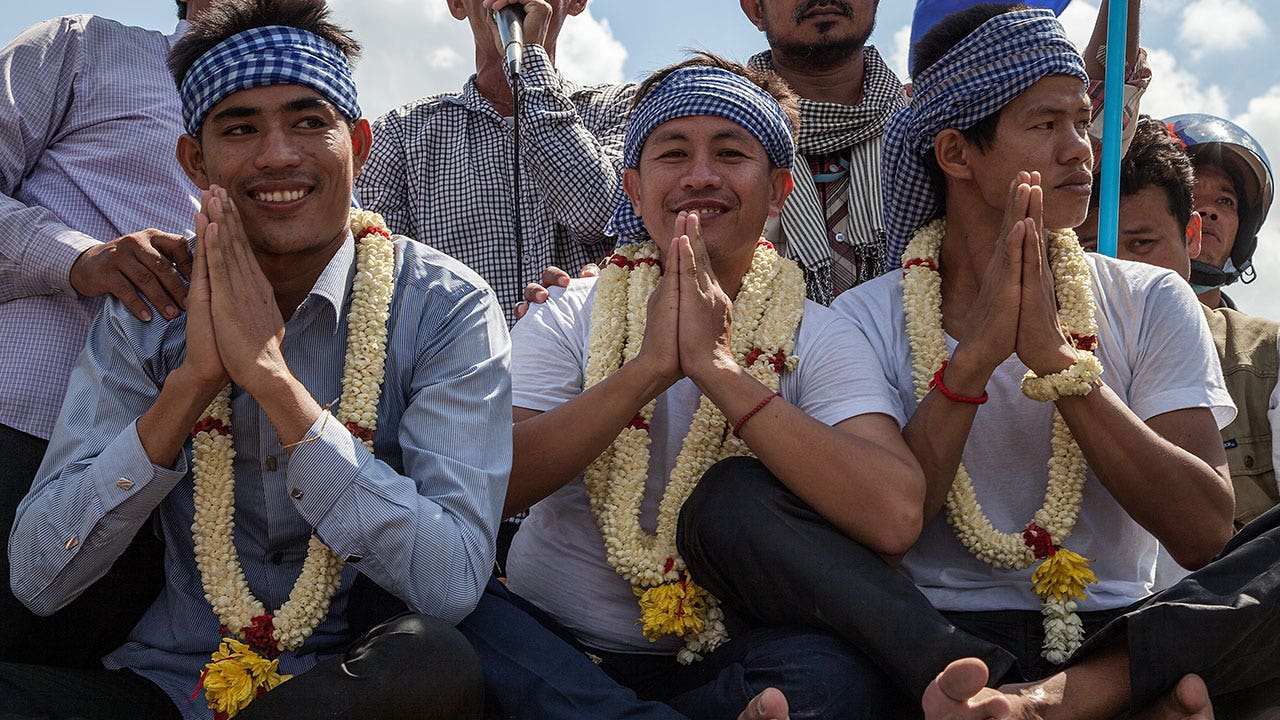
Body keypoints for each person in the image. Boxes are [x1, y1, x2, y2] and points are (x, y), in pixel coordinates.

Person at [679, 5, 1280, 718]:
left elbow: (1204, 529)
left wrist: (1058, 364)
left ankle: (1067, 699)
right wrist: (974, 361)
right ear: (958, 154)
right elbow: (891, 528)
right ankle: (991, 691)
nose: (1080, 151)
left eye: (1081, 123)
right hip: (928, 641)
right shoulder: (865, 316)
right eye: (1044, 125)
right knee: (731, 501)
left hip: (1121, 630)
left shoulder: (1149, 297)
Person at [4, 1, 510, 718]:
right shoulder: (153, 307)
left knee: (433, 663)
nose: (277, 155)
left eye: (309, 122)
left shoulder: (444, 306)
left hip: (340, 688)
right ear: (194, 160)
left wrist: (275, 385)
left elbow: (452, 580)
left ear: (359, 144)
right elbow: (36, 578)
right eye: (240, 128)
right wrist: (193, 383)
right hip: (164, 685)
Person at [458, 52, 927, 718]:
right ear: (633, 187)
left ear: (779, 190)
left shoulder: (818, 332)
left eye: (731, 153)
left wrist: (717, 370)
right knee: (451, 618)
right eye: (673, 154)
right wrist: (648, 369)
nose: (700, 177)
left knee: (833, 677)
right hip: (559, 646)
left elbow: (895, 514)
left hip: (726, 656)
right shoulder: (569, 313)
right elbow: (482, 486)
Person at [0, 0, 216, 667]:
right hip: (18, 438)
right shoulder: (81, 45)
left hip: (170, 500)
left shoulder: (312, 117)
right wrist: (76, 258)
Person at [354, 0, 632, 321]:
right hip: (457, 368)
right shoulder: (399, 136)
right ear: (457, 4)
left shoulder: (622, 107)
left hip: (597, 367)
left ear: (576, 2)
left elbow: (598, 220)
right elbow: (382, 291)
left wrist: (529, 63)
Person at [1078, 115, 1280, 532]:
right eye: (1095, 249)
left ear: (1187, 235)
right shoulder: (1034, 347)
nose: (1209, 212)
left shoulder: (1266, 355)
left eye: (1225, 201)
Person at [1164, 113, 1273, 312]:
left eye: (1225, 201)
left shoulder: (1267, 342)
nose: (1209, 210)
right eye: (1191, 194)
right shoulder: (1101, 327)